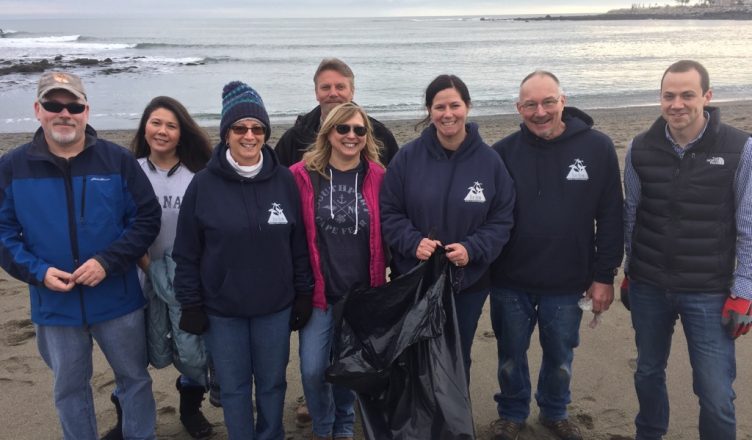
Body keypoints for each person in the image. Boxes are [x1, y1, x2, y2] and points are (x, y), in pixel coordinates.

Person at [0, 71, 161, 440]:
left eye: (73, 105)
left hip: (118, 301)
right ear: (37, 110)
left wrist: (108, 261)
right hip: (54, 305)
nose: (64, 113)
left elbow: (145, 219)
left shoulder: (117, 160)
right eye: (53, 105)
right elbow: (4, 234)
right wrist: (39, 272)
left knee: (134, 380)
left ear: (86, 111)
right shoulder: (12, 166)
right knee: (69, 389)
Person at [172, 80, 314, 440]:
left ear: (265, 133)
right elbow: (186, 253)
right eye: (239, 128)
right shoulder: (203, 185)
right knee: (234, 389)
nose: (249, 136)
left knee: (272, 384)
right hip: (223, 311)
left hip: (275, 308)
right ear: (226, 133)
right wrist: (191, 303)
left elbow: (299, 244)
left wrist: (303, 293)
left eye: (257, 128)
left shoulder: (284, 180)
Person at [489, 70, 623, 440]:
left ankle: (554, 410)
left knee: (560, 358)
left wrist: (604, 275)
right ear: (518, 108)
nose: (540, 111)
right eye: (530, 104)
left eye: (548, 101)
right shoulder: (501, 153)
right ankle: (512, 413)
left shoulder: (597, 147)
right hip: (509, 281)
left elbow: (612, 215)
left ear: (563, 100)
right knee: (510, 356)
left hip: (568, 281)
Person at [623, 60, 752, 440]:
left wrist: (744, 292)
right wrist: (630, 272)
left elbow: (749, 225)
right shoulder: (638, 148)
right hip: (648, 286)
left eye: (687, 95)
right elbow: (632, 214)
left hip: (710, 290)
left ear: (707, 97)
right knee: (647, 372)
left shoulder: (740, 148)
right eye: (668, 95)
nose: (676, 104)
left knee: (715, 393)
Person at [380, 74, 515, 383]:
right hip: (414, 278)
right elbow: (389, 210)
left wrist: (473, 248)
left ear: (467, 107)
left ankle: (452, 421)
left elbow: (502, 218)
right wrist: (412, 242)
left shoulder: (489, 162)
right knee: (413, 350)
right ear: (430, 111)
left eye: (455, 105)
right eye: (439, 106)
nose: (448, 113)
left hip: (467, 282)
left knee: (456, 352)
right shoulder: (407, 158)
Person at [102, 96, 215, 440]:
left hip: (187, 278)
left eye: (171, 125)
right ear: (144, 127)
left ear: (182, 132)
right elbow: (117, 223)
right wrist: (146, 263)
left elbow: (209, 229)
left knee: (192, 349)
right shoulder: (128, 170)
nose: (162, 131)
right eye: (155, 123)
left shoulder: (199, 175)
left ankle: (190, 410)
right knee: (132, 355)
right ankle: (129, 418)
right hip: (138, 274)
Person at [289, 102, 387, 440]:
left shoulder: (378, 177)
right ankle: (323, 425)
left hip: (360, 296)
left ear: (366, 136)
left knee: (347, 368)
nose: (351, 135)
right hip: (318, 295)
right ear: (328, 132)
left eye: (359, 130)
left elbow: (397, 226)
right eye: (342, 128)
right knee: (313, 369)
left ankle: (344, 425)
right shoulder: (301, 174)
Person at [275, 57, 399, 167]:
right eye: (326, 87)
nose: (333, 94)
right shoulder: (294, 138)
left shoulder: (380, 136)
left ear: (352, 92)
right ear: (316, 93)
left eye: (340, 87)